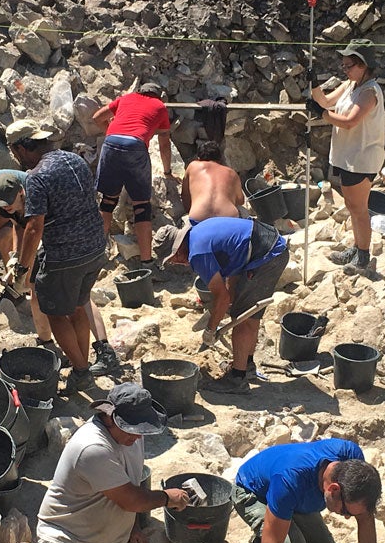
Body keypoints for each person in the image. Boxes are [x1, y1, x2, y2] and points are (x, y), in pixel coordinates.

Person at [0, 383, 192, 543]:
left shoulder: (129, 437)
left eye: (141, 429)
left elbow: (129, 485)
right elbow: (131, 499)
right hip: (72, 539)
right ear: (109, 417)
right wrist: (167, 497)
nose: (138, 437)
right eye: (133, 429)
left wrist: (133, 529)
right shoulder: (92, 448)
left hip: (112, 539)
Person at [7, 119, 107, 392]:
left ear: (21, 148)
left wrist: (22, 267)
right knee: (78, 305)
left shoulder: (37, 176)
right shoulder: (74, 160)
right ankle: (81, 366)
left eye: (14, 151)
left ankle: (82, 371)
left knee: (54, 312)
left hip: (66, 254)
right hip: (95, 246)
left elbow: (34, 227)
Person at [232, 438, 382, 543]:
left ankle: (289, 536)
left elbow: (365, 518)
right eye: (345, 511)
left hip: (295, 500)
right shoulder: (289, 479)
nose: (347, 517)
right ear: (333, 490)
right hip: (254, 492)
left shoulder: (352, 460)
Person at [156, 217, 289, 394]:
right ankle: (246, 365)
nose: (176, 263)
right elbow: (233, 265)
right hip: (268, 246)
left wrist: (210, 329)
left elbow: (222, 297)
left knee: (242, 318)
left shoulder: (197, 253)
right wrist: (228, 301)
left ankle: (237, 379)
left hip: (267, 254)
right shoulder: (197, 233)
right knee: (247, 313)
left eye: (173, 259)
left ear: (178, 249)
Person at [307, 39, 385, 271]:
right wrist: (314, 85)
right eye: (343, 65)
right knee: (352, 206)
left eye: (348, 65)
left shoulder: (369, 92)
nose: (344, 69)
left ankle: (363, 255)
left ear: (363, 65)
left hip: (361, 158)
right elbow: (326, 101)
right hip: (348, 156)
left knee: (359, 208)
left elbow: (350, 121)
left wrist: (322, 114)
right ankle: (358, 247)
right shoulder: (351, 85)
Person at [92, 82, 176, 271]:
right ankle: (146, 261)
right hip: (135, 147)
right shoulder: (160, 107)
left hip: (111, 143)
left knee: (107, 202)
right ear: (158, 96)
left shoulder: (126, 98)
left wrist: (112, 134)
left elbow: (97, 117)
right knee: (141, 206)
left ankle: (95, 254)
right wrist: (167, 172)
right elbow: (164, 144)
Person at [180, 140, 245, 224]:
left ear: (199, 159)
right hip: (228, 219)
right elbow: (240, 200)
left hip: (199, 219)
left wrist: (190, 210)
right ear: (220, 159)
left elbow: (185, 195)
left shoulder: (193, 166)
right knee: (242, 210)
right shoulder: (231, 173)